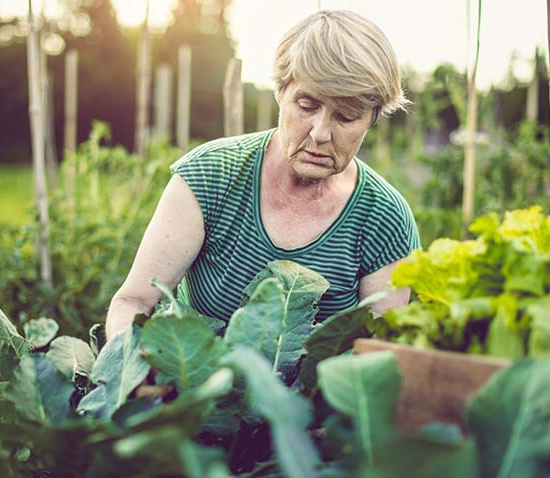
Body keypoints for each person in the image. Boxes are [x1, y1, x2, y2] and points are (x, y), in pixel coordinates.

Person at [105, 10, 420, 340]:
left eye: (346, 117)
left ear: (371, 119)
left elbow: (379, 352)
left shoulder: (385, 218)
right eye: (307, 105)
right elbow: (133, 301)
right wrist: (135, 366)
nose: (320, 133)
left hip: (313, 394)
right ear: (281, 92)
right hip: (194, 387)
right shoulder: (209, 177)